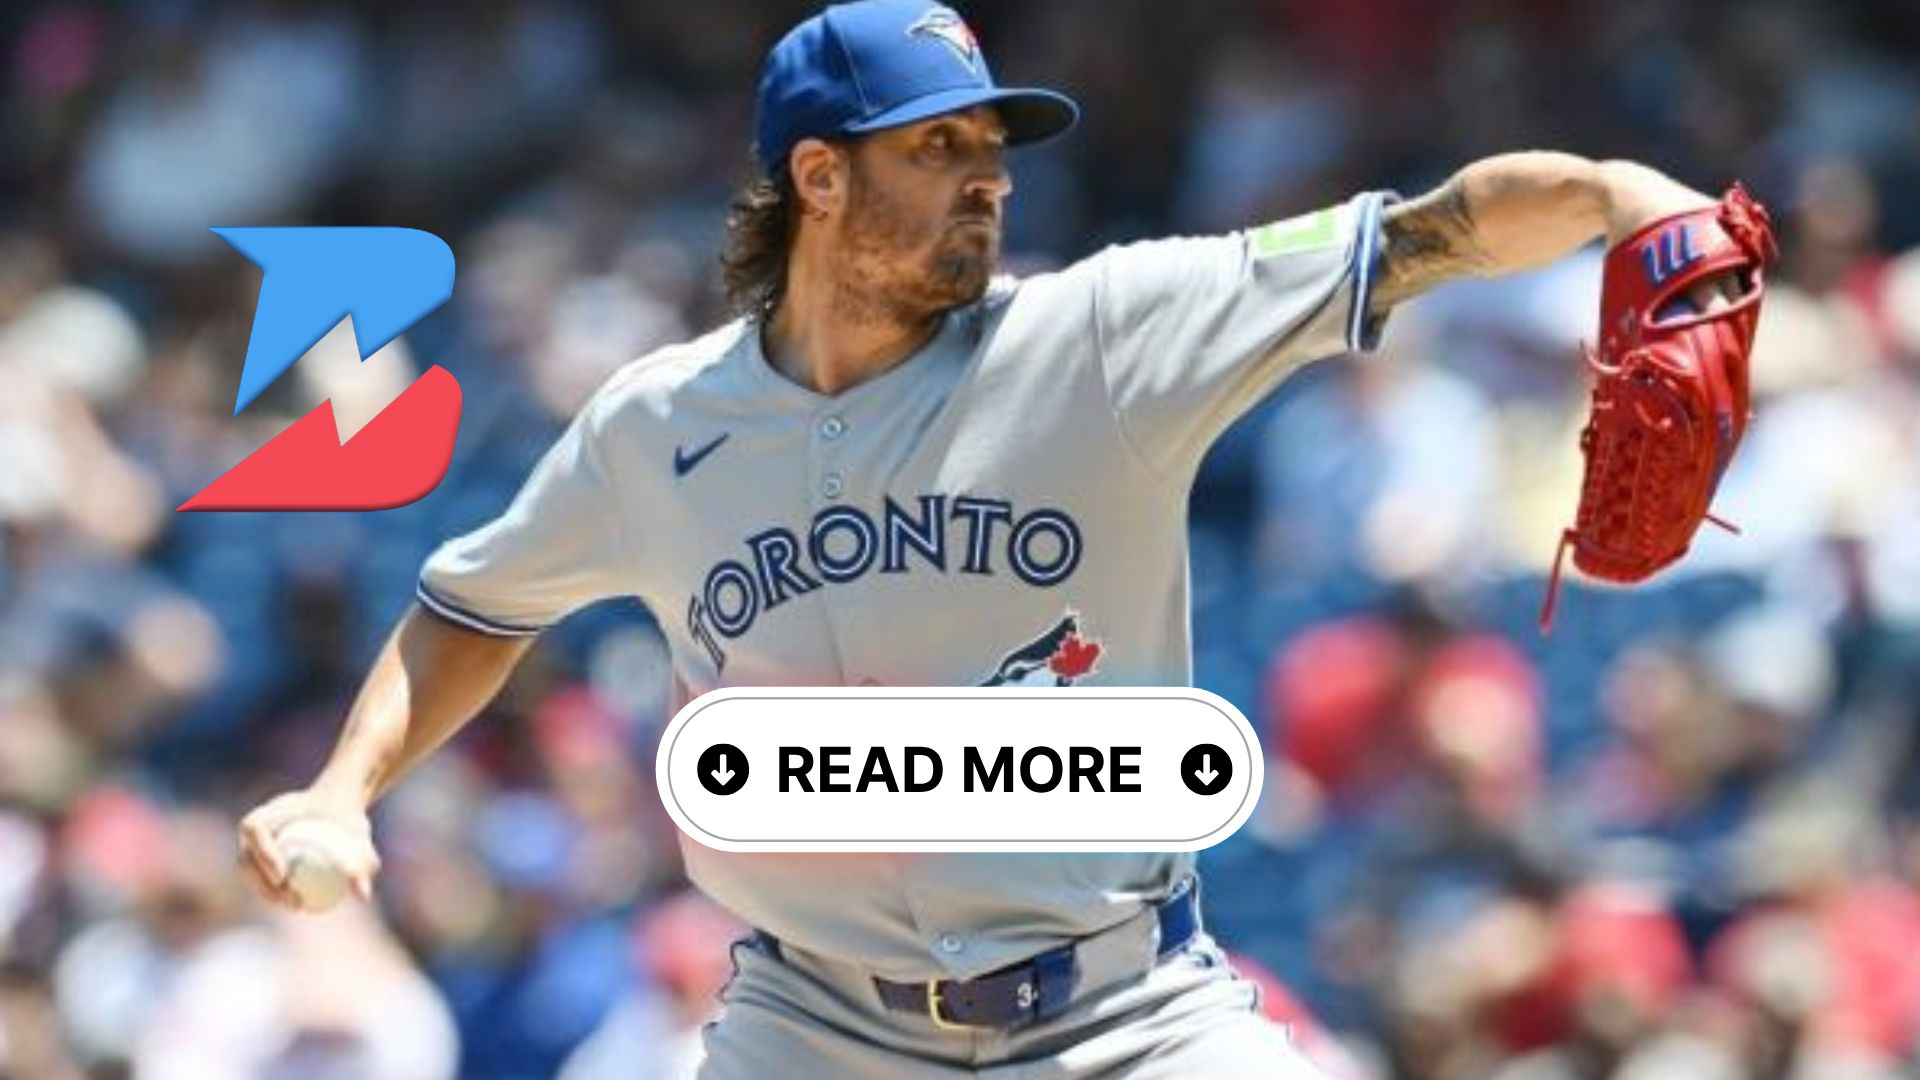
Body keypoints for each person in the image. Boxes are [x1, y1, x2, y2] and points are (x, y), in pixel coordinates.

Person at [238, 1, 1745, 1075]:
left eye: (994, 141)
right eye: (938, 142)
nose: (990, 173)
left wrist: (1616, 194)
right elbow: (473, 606)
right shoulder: (655, 427)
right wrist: (343, 787)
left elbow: (1429, 230)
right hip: (811, 1027)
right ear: (819, 177)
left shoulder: (1106, 333)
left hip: (1123, 1016)